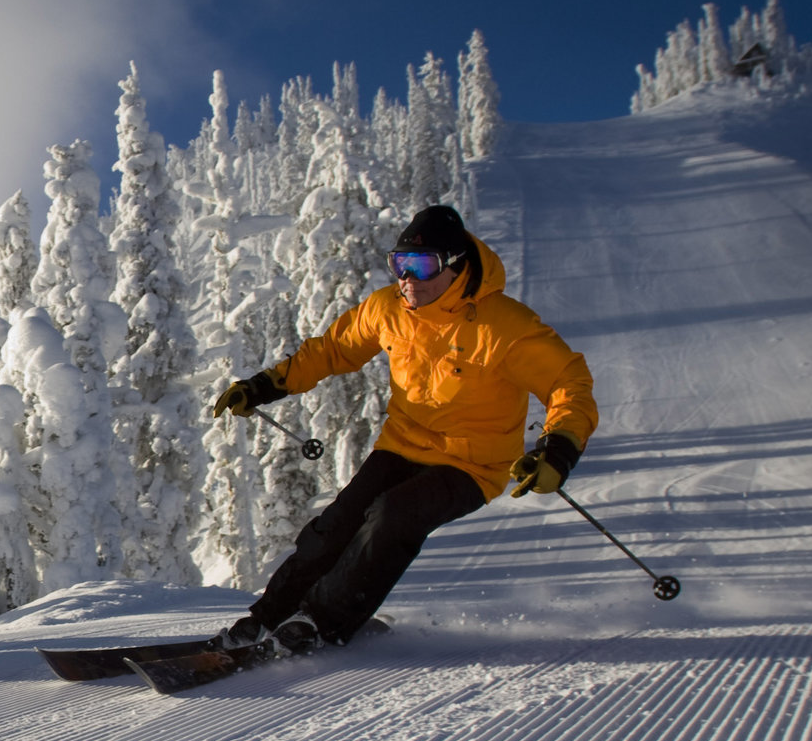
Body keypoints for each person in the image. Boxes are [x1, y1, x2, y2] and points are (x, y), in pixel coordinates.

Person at [209, 203, 596, 655]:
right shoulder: (389, 309)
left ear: (455, 267)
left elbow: (568, 381)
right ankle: (267, 618)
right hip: (402, 445)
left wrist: (559, 448)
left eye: (422, 265)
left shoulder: (505, 326)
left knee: (392, 517)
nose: (407, 278)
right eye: (399, 264)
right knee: (334, 525)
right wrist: (264, 386)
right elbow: (333, 350)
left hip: (472, 464)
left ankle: (321, 624)